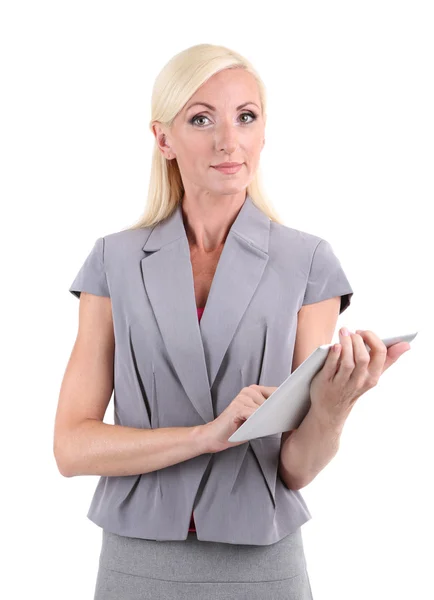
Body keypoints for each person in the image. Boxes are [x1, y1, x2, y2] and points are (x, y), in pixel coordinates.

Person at [54, 43, 410, 599]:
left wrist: (334, 408)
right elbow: (71, 448)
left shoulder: (309, 262)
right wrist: (204, 436)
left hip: (263, 565)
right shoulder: (113, 261)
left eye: (246, 117)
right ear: (163, 139)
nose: (229, 140)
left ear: (263, 132)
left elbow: (294, 469)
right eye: (202, 119)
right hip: (137, 564)